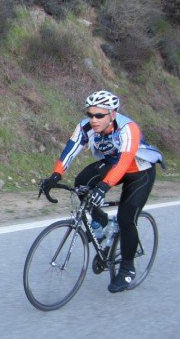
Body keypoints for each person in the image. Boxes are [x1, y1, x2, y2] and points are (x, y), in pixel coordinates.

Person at [39, 90, 164, 293]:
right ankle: (100, 221)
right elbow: (70, 150)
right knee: (81, 184)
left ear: (112, 114)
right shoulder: (86, 126)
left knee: (126, 217)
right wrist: (55, 176)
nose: (94, 120)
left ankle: (127, 267)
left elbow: (124, 163)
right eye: (90, 114)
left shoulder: (128, 129)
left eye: (99, 115)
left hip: (139, 171)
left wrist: (104, 187)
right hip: (113, 165)